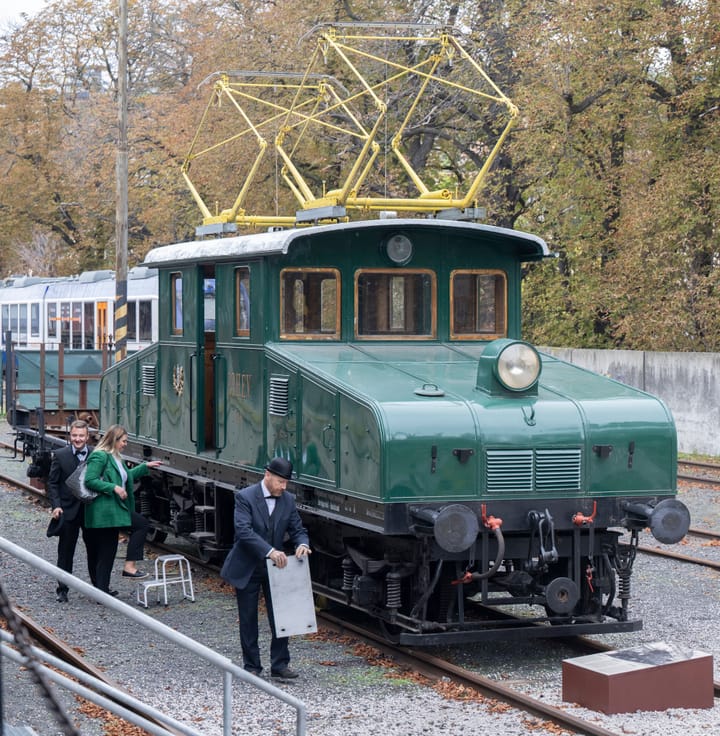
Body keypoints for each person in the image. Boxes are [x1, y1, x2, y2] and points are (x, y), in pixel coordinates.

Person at [220, 457, 310, 679]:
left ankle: (280, 664)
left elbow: (298, 528)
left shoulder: (287, 500)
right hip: (248, 566)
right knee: (248, 617)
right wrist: (270, 551)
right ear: (267, 475)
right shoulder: (245, 497)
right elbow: (243, 531)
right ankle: (252, 666)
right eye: (280, 482)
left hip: (276, 568)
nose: (284, 487)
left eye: (286, 483)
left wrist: (302, 544)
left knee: (281, 616)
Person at [83, 424, 162, 594]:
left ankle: (102, 591)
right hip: (104, 511)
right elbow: (89, 480)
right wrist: (114, 488)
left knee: (108, 551)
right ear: (114, 439)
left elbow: (126, 478)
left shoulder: (116, 457)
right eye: (124, 441)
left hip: (114, 510)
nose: (125, 444)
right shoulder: (99, 456)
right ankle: (128, 567)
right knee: (140, 525)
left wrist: (145, 467)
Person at [46, 419, 96, 602]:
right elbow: (52, 483)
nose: (77, 439)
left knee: (95, 550)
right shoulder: (60, 455)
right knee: (66, 551)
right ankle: (62, 590)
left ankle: (99, 590)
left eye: (81, 436)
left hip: (91, 511)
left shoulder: (95, 454)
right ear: (70, 435)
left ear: (87, 437)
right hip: (67, 511)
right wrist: (56, 505)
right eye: (74, 435)